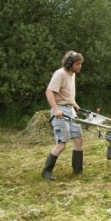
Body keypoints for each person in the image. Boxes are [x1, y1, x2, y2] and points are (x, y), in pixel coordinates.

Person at [42, 50, 84, 180]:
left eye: (80, 63)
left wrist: (75, 104)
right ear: (70, 63)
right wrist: (55, 110)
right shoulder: (60, 74)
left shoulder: (72, 75)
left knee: (78, 139)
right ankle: (46, 171)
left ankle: (77, 171)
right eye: (78, 64)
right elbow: (49, 92)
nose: (80, 66)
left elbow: (68, 94)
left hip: (70, 109)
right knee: (61, 144)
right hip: (60, 111)